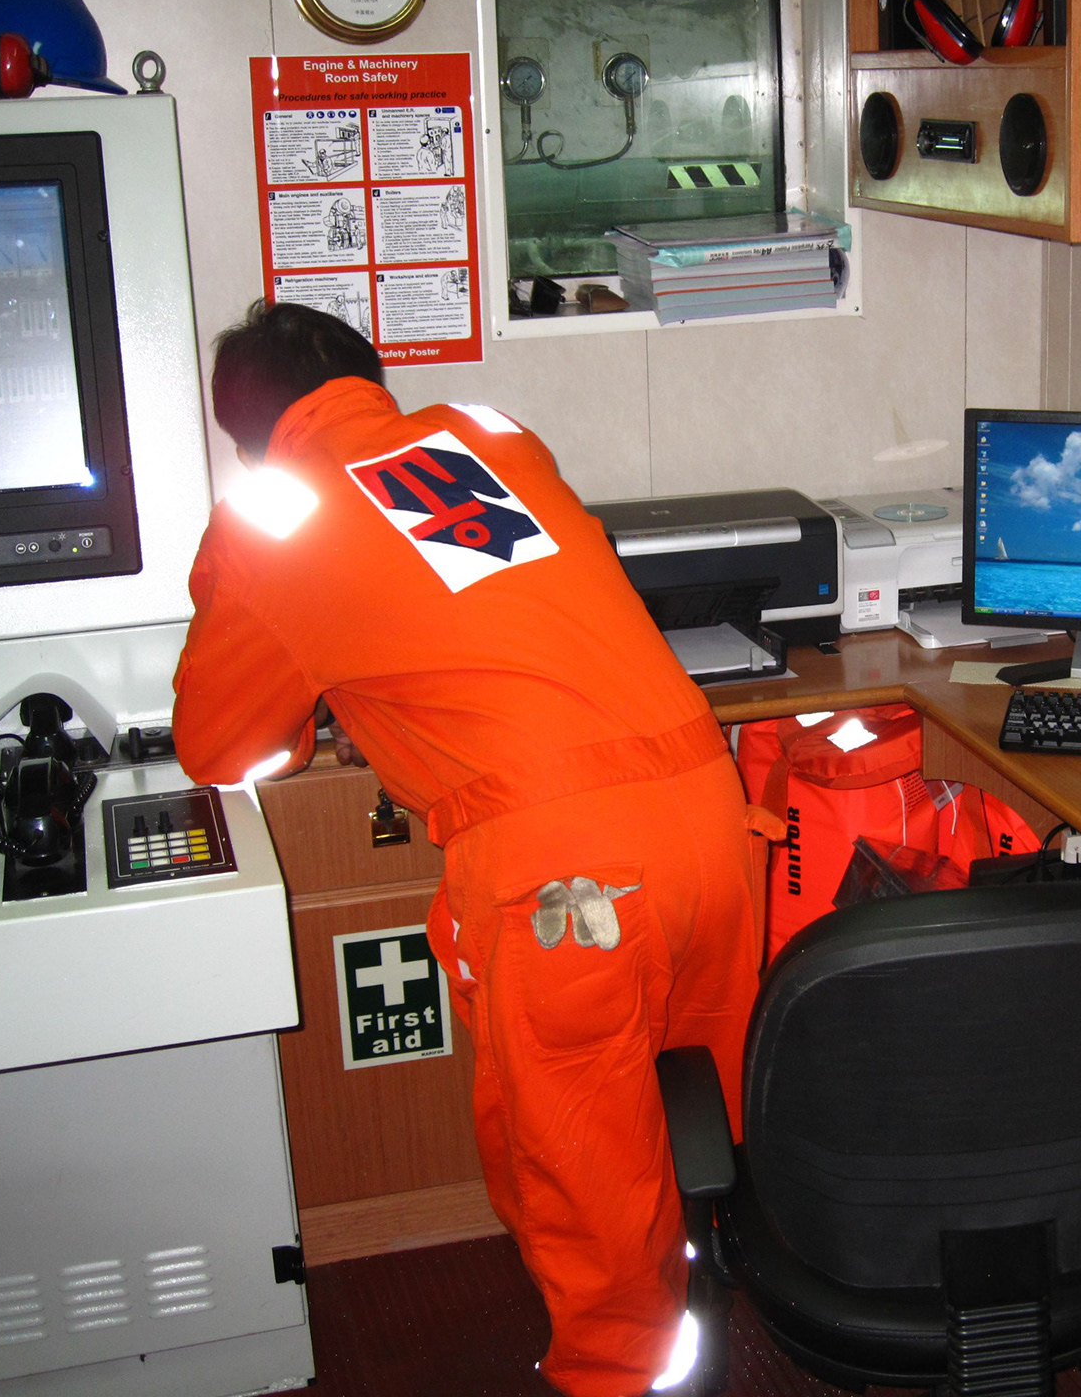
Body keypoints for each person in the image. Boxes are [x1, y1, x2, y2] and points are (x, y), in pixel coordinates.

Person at [172, 300, 770, 1397]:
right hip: (708, 813)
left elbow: (220, 746)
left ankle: (624, 1376)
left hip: (570, 881)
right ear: (371, 381)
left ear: (245, 436)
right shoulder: (486, 436)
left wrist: (315, 709)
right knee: (705, 1107)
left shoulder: (270, 514)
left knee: (581, 1167)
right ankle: (727, 1290)